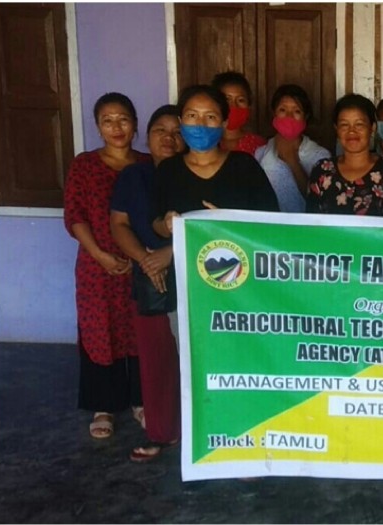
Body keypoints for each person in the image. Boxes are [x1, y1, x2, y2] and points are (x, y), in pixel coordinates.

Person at [63, 92, 149, 440]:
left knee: (142, 330)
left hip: (141, 263)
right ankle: (104, 406)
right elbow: (75, 215)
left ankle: (142, 399)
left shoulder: (148, 164)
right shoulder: (84, 165)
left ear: (135, 125)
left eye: (123, 119)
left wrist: (139, 256)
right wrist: (100, 255)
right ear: (98, 127)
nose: (116, 127)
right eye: (108, 121)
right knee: (101, 331)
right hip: (96, 267)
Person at [110, 104, 185, 462]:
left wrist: (168, 253)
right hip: (148, 275)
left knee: (198, 356)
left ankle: (202, 431)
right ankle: (162, 432)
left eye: (177, 131)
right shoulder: (134, 177)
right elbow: (119, 224)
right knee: (156, 359)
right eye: (161, 130)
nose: (169, 139)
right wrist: (145, 259)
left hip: (195, 273)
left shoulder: (193, 172)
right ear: (147, 135)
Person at [153, 85, 279, 239]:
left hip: (239, 260)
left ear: (224, 123)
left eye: (210, 117)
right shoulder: (168, 169)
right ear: (181, 120)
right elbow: (156, 222)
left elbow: (272, 221)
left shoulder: (244, 166)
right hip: (187, 262)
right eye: (192, 115)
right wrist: (167, 225)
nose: (200, 124)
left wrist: (228, 224)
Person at [306, 93, 383, 216]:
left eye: (359, 124)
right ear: (336, 129)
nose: (352, 131)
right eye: (344, 125)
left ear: (372, 128)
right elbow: (311, 222)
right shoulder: (322, 170)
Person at [254, 84, 330, 212]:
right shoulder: (261, 153)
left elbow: (320, 200)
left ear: (305, 117)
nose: (289, 116)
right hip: (270, 227)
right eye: (283, 110)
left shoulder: (320, 156)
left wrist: (292, 161)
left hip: (304, 228)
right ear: (274, 114)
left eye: (297, 111)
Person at [211, 71, 267, 154]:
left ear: (249, 105)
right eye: (227, 99)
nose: (234, 106)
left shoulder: (259, 145)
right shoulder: (205, 142)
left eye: (240, 100)